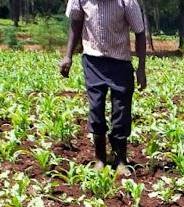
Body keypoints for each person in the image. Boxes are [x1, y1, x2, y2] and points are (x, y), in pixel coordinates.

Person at [60, 0, 147, 176]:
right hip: (93, 60)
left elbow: (140, 32)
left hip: (120, 62)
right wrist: (68, 56)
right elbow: (76, 23)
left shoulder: (127, 2)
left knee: (121, 111)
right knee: (96, 108)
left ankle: (121, 159)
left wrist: (141, 68)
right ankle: (100, 158)